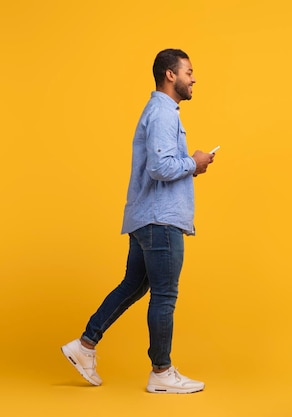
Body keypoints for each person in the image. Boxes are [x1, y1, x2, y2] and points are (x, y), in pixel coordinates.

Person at [61, 49, 216, 394]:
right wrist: (194, 162)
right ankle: (161, 371)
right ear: (170, 75)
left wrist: (191, 164)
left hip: (146, 217)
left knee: (134, 285)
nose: (194, 78)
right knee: (164, 295)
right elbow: (160, 167)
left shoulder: (158, 111)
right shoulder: (163, 112)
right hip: (160, 221)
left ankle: (85, 345)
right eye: (189, 71)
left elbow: (159, 165)